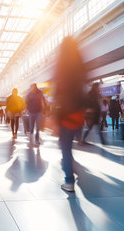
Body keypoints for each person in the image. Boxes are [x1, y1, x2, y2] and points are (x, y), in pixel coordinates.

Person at [54, 36, 87, 193]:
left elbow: (58, 92)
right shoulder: (80, 65)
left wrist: (55, 117)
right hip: (78, 114)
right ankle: (72, 168)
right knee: (68, 146)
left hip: (66, 115)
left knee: (65, 147)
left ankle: (69, 181)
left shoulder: (62, 66)